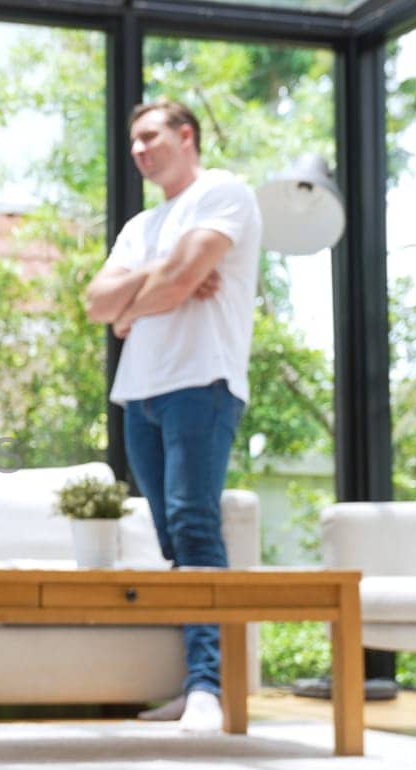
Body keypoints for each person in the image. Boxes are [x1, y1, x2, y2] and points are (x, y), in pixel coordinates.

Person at [82, 100, 262, 732]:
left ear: (186, 136)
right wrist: (151, 281)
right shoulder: (142, 224)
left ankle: (209, 688)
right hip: (142, 394)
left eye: (150, 136)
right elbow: (97, 304)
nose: (139, 149)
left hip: (200, 382)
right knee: (169, 538)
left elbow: (186, 282)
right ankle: (195, 686)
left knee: (193, 522)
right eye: (133, 141)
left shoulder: (223, 191)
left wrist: (137, 303)